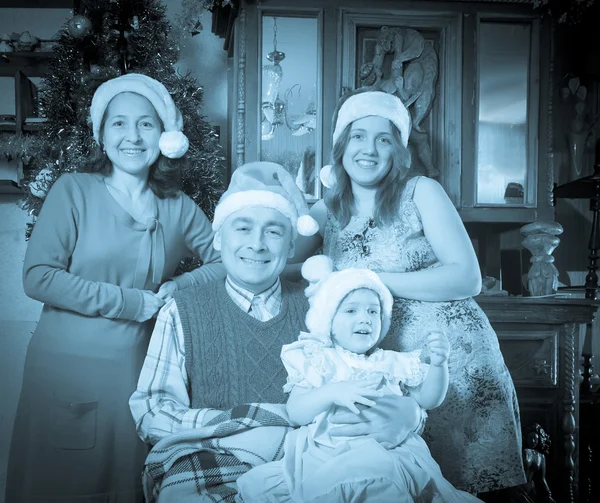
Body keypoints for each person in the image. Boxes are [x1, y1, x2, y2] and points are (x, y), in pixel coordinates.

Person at [130, 161, 424, 501]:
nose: (257, 244)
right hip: (217, 456)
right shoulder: (181, 310)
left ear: (290, 247)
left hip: (313, 460)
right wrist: (247, 424)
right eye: (242, 228)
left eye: (273, 231)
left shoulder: (324, 307)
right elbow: (152, 410)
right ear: (217, 238)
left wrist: (412, 415)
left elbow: (375, 376)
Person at [288, 87, 526, 495]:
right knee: (400, 484)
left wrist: (366, 275)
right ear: (341, 146)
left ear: (398, 151)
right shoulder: (327, 209)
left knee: (475, 482)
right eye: (358, 136)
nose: (370, 149)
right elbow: (277, 263)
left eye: (384, 139)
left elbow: (466, 277)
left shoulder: (421, 192)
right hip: (385, 367)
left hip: (451, 359)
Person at [5, 73, 226, 503]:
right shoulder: (74, 191)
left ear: (165, 137)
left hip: (141, 374)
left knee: (129, 483)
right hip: (69, 370)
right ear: (101, 135)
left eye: (146, 124)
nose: (132, 135)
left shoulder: (177, 205)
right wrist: (130, 302)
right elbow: (39, 277)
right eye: (119, 123)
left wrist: (180, 283)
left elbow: (225, 259)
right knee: (64, 485)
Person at [237, 255, 483, 502]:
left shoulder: (391, 361)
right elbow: (297, 412)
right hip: (330, 452)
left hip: (388, 450)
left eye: (373, 311)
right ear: (329, 322)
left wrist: (439, 365)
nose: (364, 318)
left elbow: (428, 400)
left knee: (383, 479)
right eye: (351, 310)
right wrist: (332, 392)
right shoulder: (321, 360)